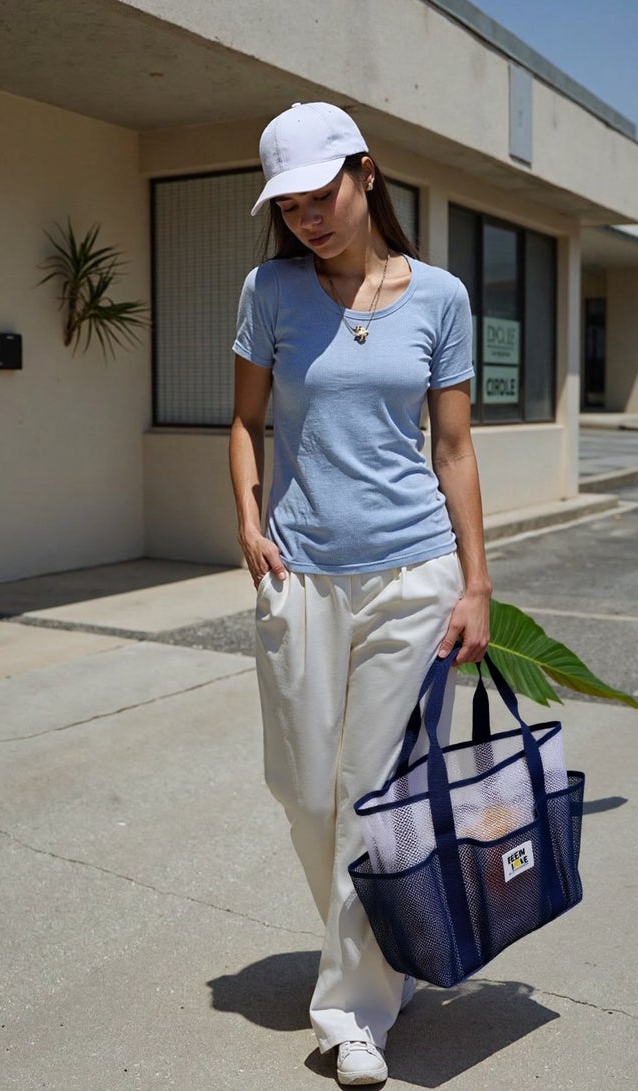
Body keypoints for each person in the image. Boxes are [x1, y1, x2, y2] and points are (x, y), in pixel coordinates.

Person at [229, 102, 491, 1086]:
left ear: (366, 174)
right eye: (288, 206)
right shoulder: (269, 290)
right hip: (297, 569)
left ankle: (352, 1011)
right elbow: (244, 422)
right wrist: (247, 520)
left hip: (412, 573)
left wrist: (475, 580)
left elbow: (453, 448)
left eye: (320, 196)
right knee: (304, 790)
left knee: (372, 796)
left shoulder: (441, 297)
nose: (307, 218)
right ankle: (384, 949)